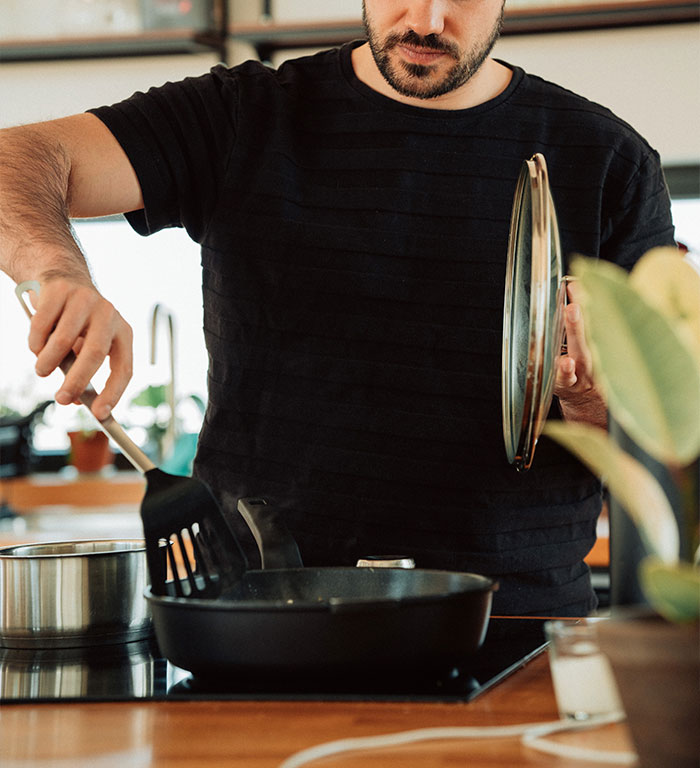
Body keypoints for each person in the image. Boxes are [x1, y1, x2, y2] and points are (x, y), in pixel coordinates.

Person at [0, 0, 676, 615]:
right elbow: (19, 159)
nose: (427, 20)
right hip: (260, 618)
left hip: (518, 625)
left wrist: (591, 403)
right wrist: (56, 270)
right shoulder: (244, 114)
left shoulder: (610, 161)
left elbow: (665, 449)